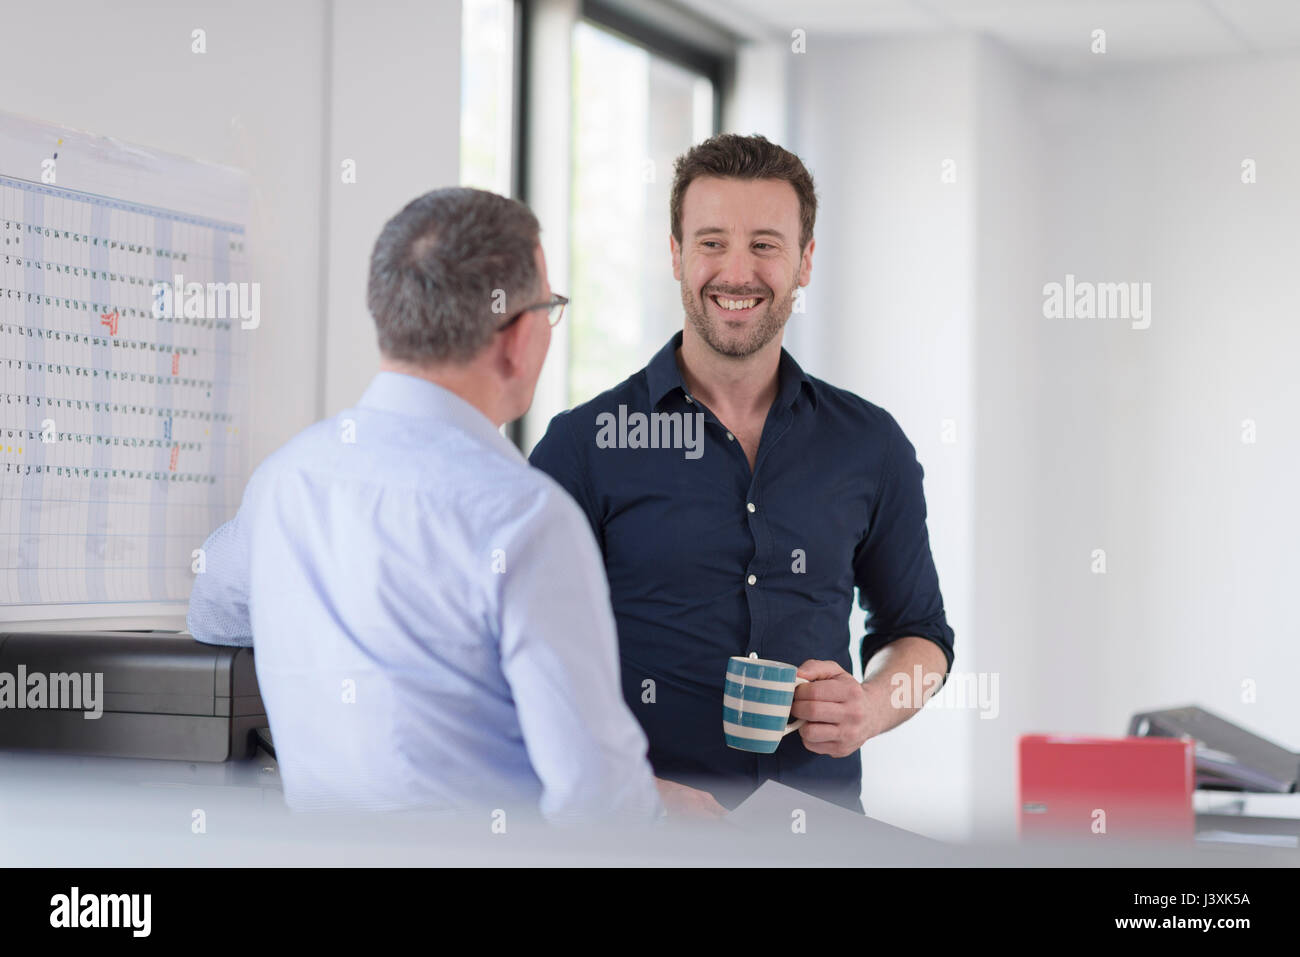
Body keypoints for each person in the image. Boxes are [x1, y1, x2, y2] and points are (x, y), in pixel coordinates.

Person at [187, 188, 661, 825]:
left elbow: (213, 613)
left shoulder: (285, 481)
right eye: (548, 308)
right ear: (518, 338)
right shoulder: (527, 519)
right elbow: (602, 806)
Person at [529, 134, 955, 816]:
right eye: (711, 242)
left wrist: (872, 706)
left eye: (764, 244)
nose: (737, 271)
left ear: (805, 261)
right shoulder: (583, 446)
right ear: (674, 254)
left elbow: (923, 637)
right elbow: (524, 670)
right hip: (644, 845)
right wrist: (638, 797)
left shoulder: (871, 445)